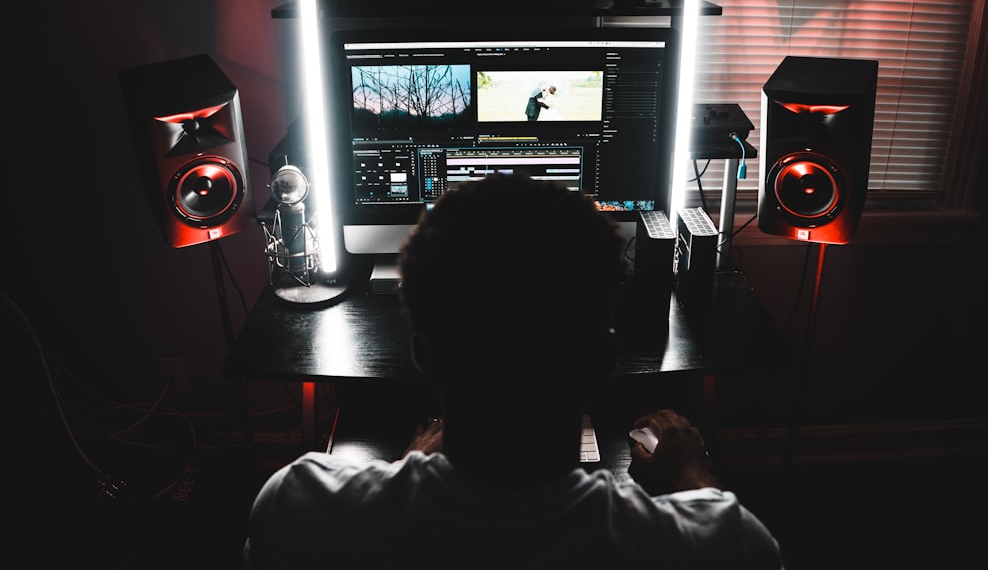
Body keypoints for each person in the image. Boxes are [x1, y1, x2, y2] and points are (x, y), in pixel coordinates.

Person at [243, 172, 783, 568]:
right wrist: (692, 476)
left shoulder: (295, 506)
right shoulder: (725, 546)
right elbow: (736, 539)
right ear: (602, 361)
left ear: (422, 352)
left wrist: (407, 466)